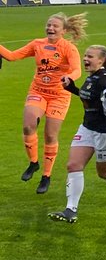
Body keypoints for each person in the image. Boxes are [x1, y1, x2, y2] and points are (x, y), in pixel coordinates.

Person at [0, 12, 86, 195]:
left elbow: (78, 69)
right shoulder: (37, 44)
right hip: (38, 91)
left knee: (50, 135)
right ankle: (33, 163)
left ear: (63, 30)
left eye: (55, 26)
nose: (50, 28)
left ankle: (46, 175)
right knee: (28, 126)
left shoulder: (68, 48)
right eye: (48, 25)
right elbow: (12, 56)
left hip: (59, 95)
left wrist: (68, 76)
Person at [51, 44, 106, 222]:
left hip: (105, 132)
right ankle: (71, 210)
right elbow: (89, 97)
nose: (85, 59)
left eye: (90, 57)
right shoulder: (92, 77)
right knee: (73, 165)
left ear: (101, 60)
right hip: (87, 128)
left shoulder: (105, 79)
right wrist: (72, 89)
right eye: (85, 56)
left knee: (104, 173)